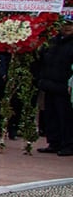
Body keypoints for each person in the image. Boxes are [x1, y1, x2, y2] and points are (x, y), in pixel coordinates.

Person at [36, 16, 73, 155]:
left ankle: (68, 144)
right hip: (49, 85)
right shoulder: (52, 42)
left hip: (65, 87)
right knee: (51, 116)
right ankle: (54, 142)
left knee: (66, 118)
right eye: (64, 25)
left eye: (70, 25)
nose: (67, 27)